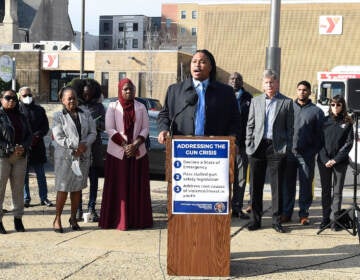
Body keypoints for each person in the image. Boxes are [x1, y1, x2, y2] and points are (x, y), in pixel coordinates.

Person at [99, 78, 153, 230]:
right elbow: (110, 129)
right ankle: (117, 220)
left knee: (137, 188)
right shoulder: (112, 106)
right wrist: (125, 146)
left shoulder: (141, 107)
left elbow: (145, 128)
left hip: (138, 153)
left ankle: (138, 220)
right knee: (118, 187)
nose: (129, 92)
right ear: (120, 91)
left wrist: (135, 145)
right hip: (117, 154)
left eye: (131, 89)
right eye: (125, 89)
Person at [246, 69, 293, 233]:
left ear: (277, 83)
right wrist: (248, 144)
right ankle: (255, 220)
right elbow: (250, 125)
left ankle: (276, 221)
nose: (269, 85)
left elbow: (290, 128)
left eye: (272, 82)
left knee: (277, 186)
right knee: (255, 186)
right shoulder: (255, 101)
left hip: (276, 148)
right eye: (266, 82)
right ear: (263, 84)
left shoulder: (287, 102)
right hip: (257, 147)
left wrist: (286, 147)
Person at [157, 49, 240, 143]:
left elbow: (235, 120)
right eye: (194, 61)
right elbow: (164, 115)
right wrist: (163, 129)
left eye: (202, 62)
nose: (197, 65)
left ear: (210, 67)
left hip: (215, 150)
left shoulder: (226, 92)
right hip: (183, 148)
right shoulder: (174, 90)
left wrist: (233, 139)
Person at [52, 86, 96, 233]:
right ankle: (57, 218)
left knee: (77, 189)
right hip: (65, 157)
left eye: (74, 97)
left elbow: (93, 132)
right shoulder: (58, 116)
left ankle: (73, 218)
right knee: (63, 189)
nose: (72, 100)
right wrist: (76, 146)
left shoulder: (86, 113)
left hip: (82, 156)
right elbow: (59, 137)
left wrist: (84, 145)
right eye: (69, 98)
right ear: (62, 100)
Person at [281, 81, 324, 225]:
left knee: (306, 185)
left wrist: (312, 152)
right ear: (296, 91)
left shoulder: (317, 112)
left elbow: (320, 136)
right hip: (289, 154)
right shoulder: (288, 108)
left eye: (305, 90)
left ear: (310, 92)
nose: (302, 92)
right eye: (299, 89)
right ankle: (287, 213)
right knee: (288, 185)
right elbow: (281, 130)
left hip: (306, 155)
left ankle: (304, 214)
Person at [317, 95, 354, 231]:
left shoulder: (348, 123)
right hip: (324, 162)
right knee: (326, 191)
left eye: (338, 105)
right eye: (333, 105)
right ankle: (325, 219)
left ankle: (334, 221)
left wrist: (336, 159)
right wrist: (326, 160)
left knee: (337, 192)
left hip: (340, 162)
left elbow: (348, 144)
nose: (335, 107)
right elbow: (319, 143)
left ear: (342, 106)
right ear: (330, 106)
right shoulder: (324, 121)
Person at [71, 79, 105, 222]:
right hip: (80, 146)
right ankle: (78, 209)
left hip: (95, 145)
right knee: (78, 178)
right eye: (84, 94)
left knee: (94, 178)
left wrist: (98, 124)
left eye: (89, 94)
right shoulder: (76, 105)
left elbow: (104, 125)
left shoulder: (99, 107)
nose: (87, 96)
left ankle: (92, 207)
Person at [0, 90, 32, 234]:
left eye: (14, 98)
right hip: (3, 156)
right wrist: (11, 148)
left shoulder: (22, 116)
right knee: (0, 189)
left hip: (20, 156)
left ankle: (18, 218)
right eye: (8, 98)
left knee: (18, 189)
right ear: (1, 99)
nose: (11, 100)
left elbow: (29, 135)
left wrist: (23, 147)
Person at [18, 87, 53, 208]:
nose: (27, 97)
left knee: (41, 175)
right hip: (23, 147)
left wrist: (37, 136)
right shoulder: (17, 110)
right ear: (20, 97)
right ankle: (26, 198)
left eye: (29, 94)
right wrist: (26, 139)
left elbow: (45, 127)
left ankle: (44, 197)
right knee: (24, 175)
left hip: (38, 146)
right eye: (24, 95)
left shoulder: (39, 109)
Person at [228, 72, 253, 219]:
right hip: (226, 144)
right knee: (224, 177)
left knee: (241, 178)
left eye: (238, 79)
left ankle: (237, 207)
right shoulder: (222, 96)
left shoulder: (248, 98)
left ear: (242, 82)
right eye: (232, 78)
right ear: (228, 81)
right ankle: (223, 206)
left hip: (242, 144)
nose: (235, 81)